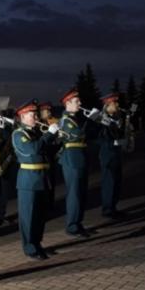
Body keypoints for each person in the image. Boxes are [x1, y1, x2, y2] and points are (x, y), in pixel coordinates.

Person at [12, 99, 59, 259]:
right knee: (29, 217)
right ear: (23, 116)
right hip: (29, 181)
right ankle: (30, 248)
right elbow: (33, 149)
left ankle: (37, 244)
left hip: (41, 178)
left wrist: (57, 141)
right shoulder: (19, 134)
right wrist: (49, 135)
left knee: (39, 216)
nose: (36, 117)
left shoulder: (37, 132)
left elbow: (46, 151)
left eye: (35, 114)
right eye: (32, 114)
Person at [57, 88, 91, 237]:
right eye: (77, 101)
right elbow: (76, 135)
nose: (80, 103)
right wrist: (91, 121)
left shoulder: (76, 118)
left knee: (81, 193)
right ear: (68, 103)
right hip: (71, 159)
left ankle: (78, 223)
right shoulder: (66, 120)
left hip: (79, 158)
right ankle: (72, 226)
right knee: (74, 194)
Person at [91, 94, 127, 218]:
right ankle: (107, 209)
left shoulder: (117, 117)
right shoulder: (100, 119)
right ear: (107, 105)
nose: (117, 105)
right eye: (114, 103)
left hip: (116, 152)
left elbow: (119, 134)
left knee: (117, 181)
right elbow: (95, 136)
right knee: (109, 182)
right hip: (107, 153)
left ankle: (113, 207)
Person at [38, 102, 60, 213]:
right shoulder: (38, 124)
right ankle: (44, 205)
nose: (48, 113)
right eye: (46, 111)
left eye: (49, 110)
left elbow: (59, 139)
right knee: (44, 182)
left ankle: (50, 204)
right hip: (43, 154)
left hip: (52, 154)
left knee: (51, 181)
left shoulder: (55, 122)